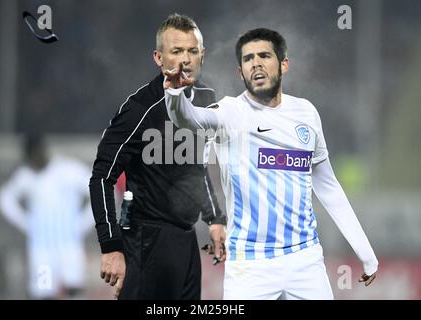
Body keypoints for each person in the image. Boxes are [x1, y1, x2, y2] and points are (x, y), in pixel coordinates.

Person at [164, 28, 378, 299]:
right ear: (240, 72)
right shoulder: (230, 112)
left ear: (284, 63)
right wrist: (173, 95)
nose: (256, 63)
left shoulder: (306, 113)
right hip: (250, 265)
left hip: (305, 259)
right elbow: (189, 118)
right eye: (248, 59)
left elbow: (327, 186)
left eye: (264, 55)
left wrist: (365, 252)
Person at [89, 13, 226, 300]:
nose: (185, 59)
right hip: (145, 242)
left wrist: (214, 218)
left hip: (187, 241)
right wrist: (110, 245)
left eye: (192, 51)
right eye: (176, 51)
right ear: (158, 58)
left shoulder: (206, 99)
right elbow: (101, 177)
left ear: (203, 54)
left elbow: (197, 167)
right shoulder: (139, 109)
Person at [0, 134, 94, 299]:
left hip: (69, 246)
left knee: (74, 287)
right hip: (42, 250)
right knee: (43, 290)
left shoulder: (68, 170)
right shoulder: (26, 176)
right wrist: (25, 222)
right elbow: (5, 198)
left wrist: (84, 223)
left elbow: (98, 191)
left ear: (42, 151)